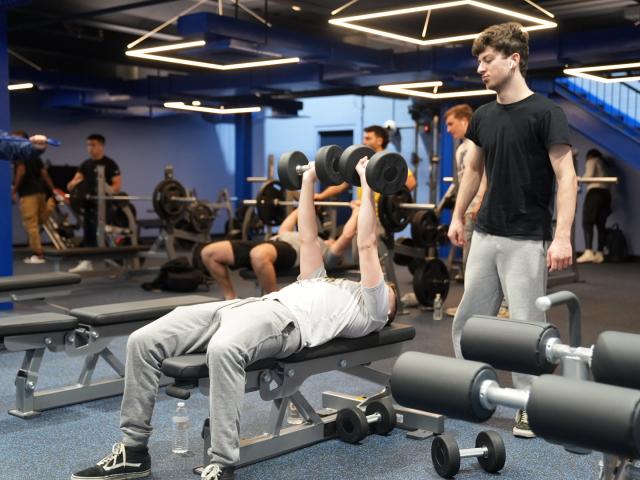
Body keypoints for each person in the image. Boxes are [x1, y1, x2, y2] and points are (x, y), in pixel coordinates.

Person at [71, 156, 398, 480]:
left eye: (389, 290)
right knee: (143, 341)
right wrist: (309, 180)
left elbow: (366, 243)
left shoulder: (373, 308)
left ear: (388, 308)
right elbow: (308, 237)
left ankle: (222, 463)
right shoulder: (323, 279)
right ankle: (133, 451)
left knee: (223, 349)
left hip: (283, 322)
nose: (386, 286)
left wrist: (368, 185)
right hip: (243, 307)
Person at [447, 22, 577, 439]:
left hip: (526, 238)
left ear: (513, 59)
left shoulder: (546, 113)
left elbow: (567, 175)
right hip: (485, 234)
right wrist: (457, 215)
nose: (480, 69)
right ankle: (474, 390)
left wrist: (562, 236)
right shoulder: (483, 116)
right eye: (479, 62)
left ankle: (527, 406)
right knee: (468, 319)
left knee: (525, 327)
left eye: (487, 60)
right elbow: (473, 170)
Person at [200, 204, 360, 300]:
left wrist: (356, 211)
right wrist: (307, 204)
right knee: (209, 252)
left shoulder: (326, 252)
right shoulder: (299, 234)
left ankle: (274, 299)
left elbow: (346, 235)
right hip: (270, 244)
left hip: (290, 253)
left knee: (258, 254)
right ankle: (231, 298)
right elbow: (289, 223)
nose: (333, 239)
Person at [314, 125, 416, 202]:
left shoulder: (389, 161)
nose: (364, 141)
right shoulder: (363, 160)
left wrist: (385, 202)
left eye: (368, 138)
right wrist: (321, 196)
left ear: (380, 141)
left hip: (379, 217)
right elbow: (343, 183)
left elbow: (411, 183)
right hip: (363, 210)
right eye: (364, 138)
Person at [67, 134, 122, 272]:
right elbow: (71, 185)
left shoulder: (110, 164)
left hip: (105, 205)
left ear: (101, 146)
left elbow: (117, 187)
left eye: (93, 145)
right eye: (88, 145)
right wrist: (75, 183)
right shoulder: (85, 165)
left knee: (105, 234)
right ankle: (87, 262)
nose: (90, 148)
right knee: (88, 232)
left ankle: (117, 263)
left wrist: (104, 186)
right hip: (89, 204)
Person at [10, 131, 56, 264]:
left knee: (31, 225)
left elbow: (21, 171)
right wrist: (53, 191)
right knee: (39, 220)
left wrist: (14, 191)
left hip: (28, 193)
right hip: (40, 192)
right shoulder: (34, 154)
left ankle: (38, 255)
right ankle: (51, 203)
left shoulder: (20, 153)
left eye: (15, 139)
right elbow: (44, 173)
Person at [576, 149, 611, 264]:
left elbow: (589, 176)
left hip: (595, 193)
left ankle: (588, 252)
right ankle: (599, 253)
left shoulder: (592, 160)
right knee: (601, 225)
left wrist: (579, 179)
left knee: (587, 222)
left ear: (589, 155)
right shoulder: (604, 164)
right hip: (606, 194)